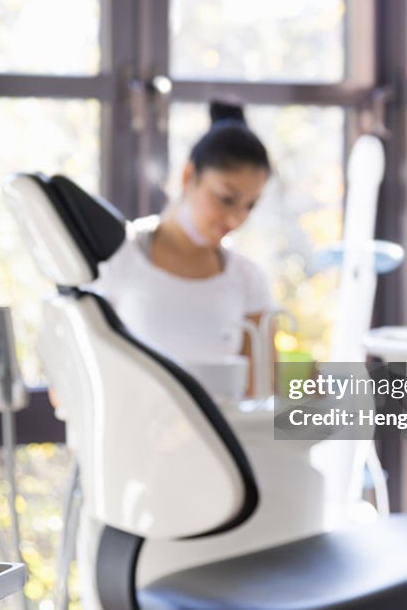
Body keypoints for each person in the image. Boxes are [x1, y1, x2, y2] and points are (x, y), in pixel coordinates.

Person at [93, 101, 274, 396]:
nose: (236, 218)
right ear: (189, 176)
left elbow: (261, 394)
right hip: (133, 436)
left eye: (249, 206)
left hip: (219, 440)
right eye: (226, 199)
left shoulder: (247, 278)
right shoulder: (117, 258)